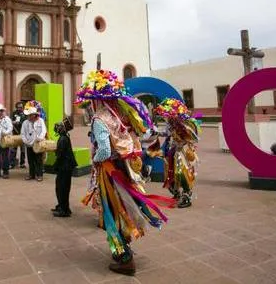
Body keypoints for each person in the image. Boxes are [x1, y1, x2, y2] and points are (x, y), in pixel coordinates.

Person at [78, 70, 176, 276]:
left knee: (113, 211)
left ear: (96, 99)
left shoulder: (99, 119)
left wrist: (95, 160)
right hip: (126, 168)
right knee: (123, 206)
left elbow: (104, 149)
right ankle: (124, 247)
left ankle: (124, 258)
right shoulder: (121, 115)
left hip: (111, 170)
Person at [153, 98, 201, 209]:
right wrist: (156, 132)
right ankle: (176, 192)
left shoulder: (184, 123)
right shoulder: (171, 123)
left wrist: (181, 134)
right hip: (173, 150)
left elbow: (193, 137)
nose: (166, 117)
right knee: (170, 173)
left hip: (183, 151)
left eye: (167, 114)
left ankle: (186, 195)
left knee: (182, 173)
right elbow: (167, 133)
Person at [52, 117, 77, 217]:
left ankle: (64, 210)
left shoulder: (63, 139)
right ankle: (61, 206)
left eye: (59, 127)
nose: (57, 128)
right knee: (60, 187)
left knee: (62, 188)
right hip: (65, 166)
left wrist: (55, 165)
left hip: (65, 167)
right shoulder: (64, 137)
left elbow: (60, 154)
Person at [21, 101, 47, 182]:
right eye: (28, 115)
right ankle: (31, 174)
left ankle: (39, 175)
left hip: (38, 144)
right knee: (30, 160)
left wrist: (40, 138)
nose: (28, 116)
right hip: (29, 144)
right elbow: (23, 133)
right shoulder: (25, 122)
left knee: (39, 160)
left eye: (30, 115)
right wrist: (25, 141)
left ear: (34, 115)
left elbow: (44, 130)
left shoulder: (41, 121)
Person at [10, 101, 27, 169]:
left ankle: (22, 163)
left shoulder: (25, 114)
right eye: (18, 107)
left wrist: (19, 123)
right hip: (15, 134)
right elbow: (10, 120)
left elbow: (26, 122)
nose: (20, 108)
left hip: (22, 134)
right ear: (16, 107)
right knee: (13, 150)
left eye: (21, 107)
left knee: (23, 150)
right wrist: (12, 122)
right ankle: (12, 164)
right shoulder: (14, 113)